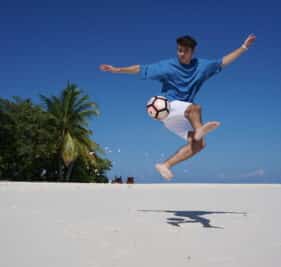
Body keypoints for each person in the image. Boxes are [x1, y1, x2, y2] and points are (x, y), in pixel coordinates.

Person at [100, 34, 256, 180]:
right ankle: (199, 129)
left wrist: (244, 47)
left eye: (185, 51)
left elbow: (223, 62)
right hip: (168, 107)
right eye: (179, 50)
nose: (181, 54)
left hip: (176, 120)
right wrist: (117, 69)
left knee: (199, 145)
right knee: (195, 108)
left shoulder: (202, 66)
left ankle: (165, 165)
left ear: (192, 52)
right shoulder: (167, 66)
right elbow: (141, 68)